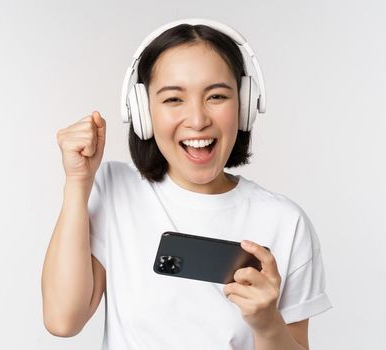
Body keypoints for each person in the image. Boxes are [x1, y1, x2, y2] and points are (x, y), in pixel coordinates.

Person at [42, 19, 332, 349]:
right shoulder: (114, 191)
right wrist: (78, 182)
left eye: (217, 96)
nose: (197, 120)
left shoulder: (284, 221)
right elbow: (62, 319)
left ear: (245, 105)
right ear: (142, 112)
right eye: (173, 99)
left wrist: (267, 324)